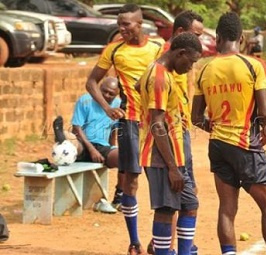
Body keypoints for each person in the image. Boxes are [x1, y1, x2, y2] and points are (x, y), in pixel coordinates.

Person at [191, 12, 266, 255]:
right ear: (241, 38)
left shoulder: (204, 69)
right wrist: (264, 132)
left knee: (227, 208)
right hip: (245, 144)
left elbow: (195, 117)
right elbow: (264, 111)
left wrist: (215, 128)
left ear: (218, 37)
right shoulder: (253, 65)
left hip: (218, 146)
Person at [84, 3, 165, 254]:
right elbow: (91, 82)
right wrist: (108, 109)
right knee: (130, 181)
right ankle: (134, 241)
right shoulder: (114, 49)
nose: (121, 28)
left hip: (157, 122)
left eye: (126, 24)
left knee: (160, 180)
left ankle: (158, 240)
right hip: (129, 121)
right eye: (119, 24)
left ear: (140, 24)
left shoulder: (159, 47)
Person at [137, 32, 202, 255]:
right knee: (166, 210)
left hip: (175, 154)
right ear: (180, 53)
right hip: (161, 157)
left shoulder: (160, 72)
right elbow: (157, 124)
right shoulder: (159, 77)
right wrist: (173, 168)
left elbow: (137, 87)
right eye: (191, 61)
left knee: (189, 204)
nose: (191, 67)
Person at [72, 77, 123, 213]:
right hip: (83, 144)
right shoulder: (85, 100)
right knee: (69, 141)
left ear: (117, 94)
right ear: (98, 89)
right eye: (104, 91)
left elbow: (114, 129)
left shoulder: (118, 104)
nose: (106, 95)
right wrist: (92, 150)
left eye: (111, 93)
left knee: (127, 158)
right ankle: (62, 141)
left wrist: (113, 148)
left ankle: (119, 198)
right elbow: (77, 128)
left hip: (102, 147)